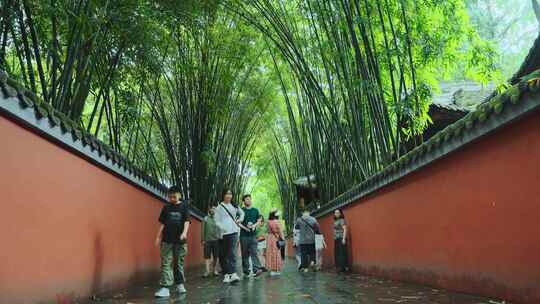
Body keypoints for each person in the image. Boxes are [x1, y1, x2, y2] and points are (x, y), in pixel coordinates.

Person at [154, 186, 191, 298]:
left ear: (179, 195)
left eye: (174, 196)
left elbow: (187, 221)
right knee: (166, 262)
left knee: (178, 262)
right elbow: (163, 223)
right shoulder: (166, 207)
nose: (172, 199)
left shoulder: (184, 207)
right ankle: (165, 288)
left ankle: (179, 284)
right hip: (167, 240)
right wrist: (158, 236)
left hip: (180, 240)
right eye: (170, 197)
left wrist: (184, 233)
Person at [215, 189, 244, 284]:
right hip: (223, 234)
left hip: (234, 232)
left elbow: (242, 213)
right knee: (223, 254)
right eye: (227, 194)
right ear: (223, 195)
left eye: (230, 194)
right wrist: (223, 228)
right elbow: (216, 220)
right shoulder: (219, 207)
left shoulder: (234, 205)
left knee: (232, 253)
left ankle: (233, 273)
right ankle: (226, 274)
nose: (228, 195)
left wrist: (240, 219)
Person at [240, 194, 264, 277]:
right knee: (245, 254)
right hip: (243, 235)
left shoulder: (255, 210)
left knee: (254, 252)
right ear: (244, 201)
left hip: (253, 235)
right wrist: (245, 228)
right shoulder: (241, 210)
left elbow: (259, 220)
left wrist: (254, 225)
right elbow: (237, 222)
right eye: (247, 199)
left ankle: (256, 269)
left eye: (250, 199)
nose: (249, 200)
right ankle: (246, 270)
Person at [202, 205, 221, 277]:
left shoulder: (218, 219)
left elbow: (220, 229)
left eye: (215, 209)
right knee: (207, 256)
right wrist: (203, 239)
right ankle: (207, 271)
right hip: (207, 240)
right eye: (212, 209)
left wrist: (220, 238)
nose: (213, 210)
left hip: (216, 240)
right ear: (209, 210)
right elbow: (203, 229)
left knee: (216, 256)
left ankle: (215, 270)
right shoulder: (205, 219)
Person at [265, 209, 285, 275]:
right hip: (275, 238)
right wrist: (282, 238)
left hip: (269, 238)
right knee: (276, 253)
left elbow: (267, 230)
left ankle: (271, 269)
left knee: (270, 253)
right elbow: (280, 231)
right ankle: (275, 270)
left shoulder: (268, 221)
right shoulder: (277, 222)